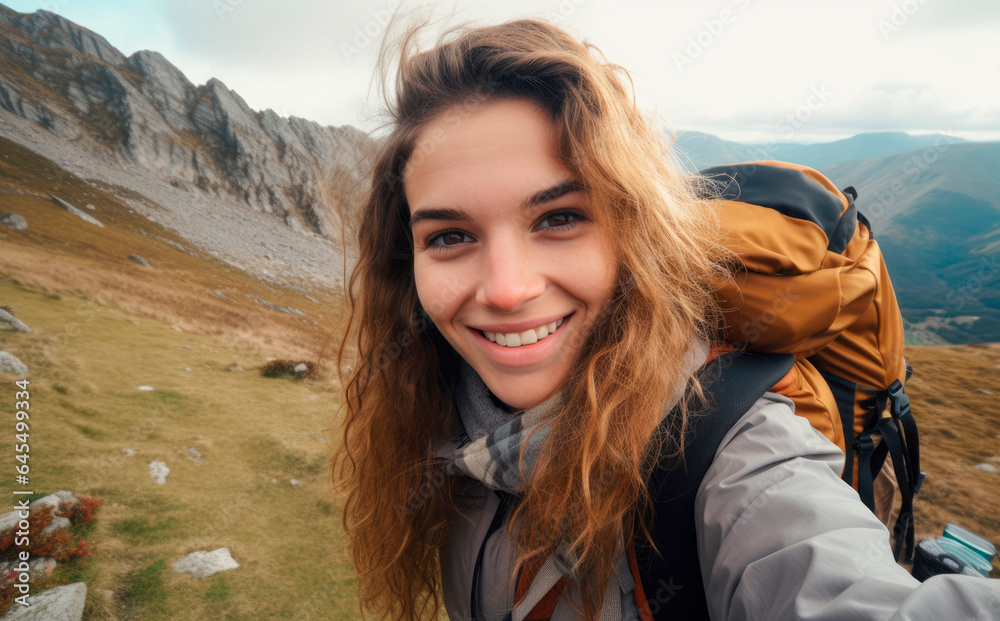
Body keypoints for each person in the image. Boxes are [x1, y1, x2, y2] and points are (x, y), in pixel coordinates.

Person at [332, 16, 1000, 621]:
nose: (507, 290)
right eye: (450, 235)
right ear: (407, 260)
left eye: (560, 218)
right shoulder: (437, 406)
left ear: (631, 235)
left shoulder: (732, 450)